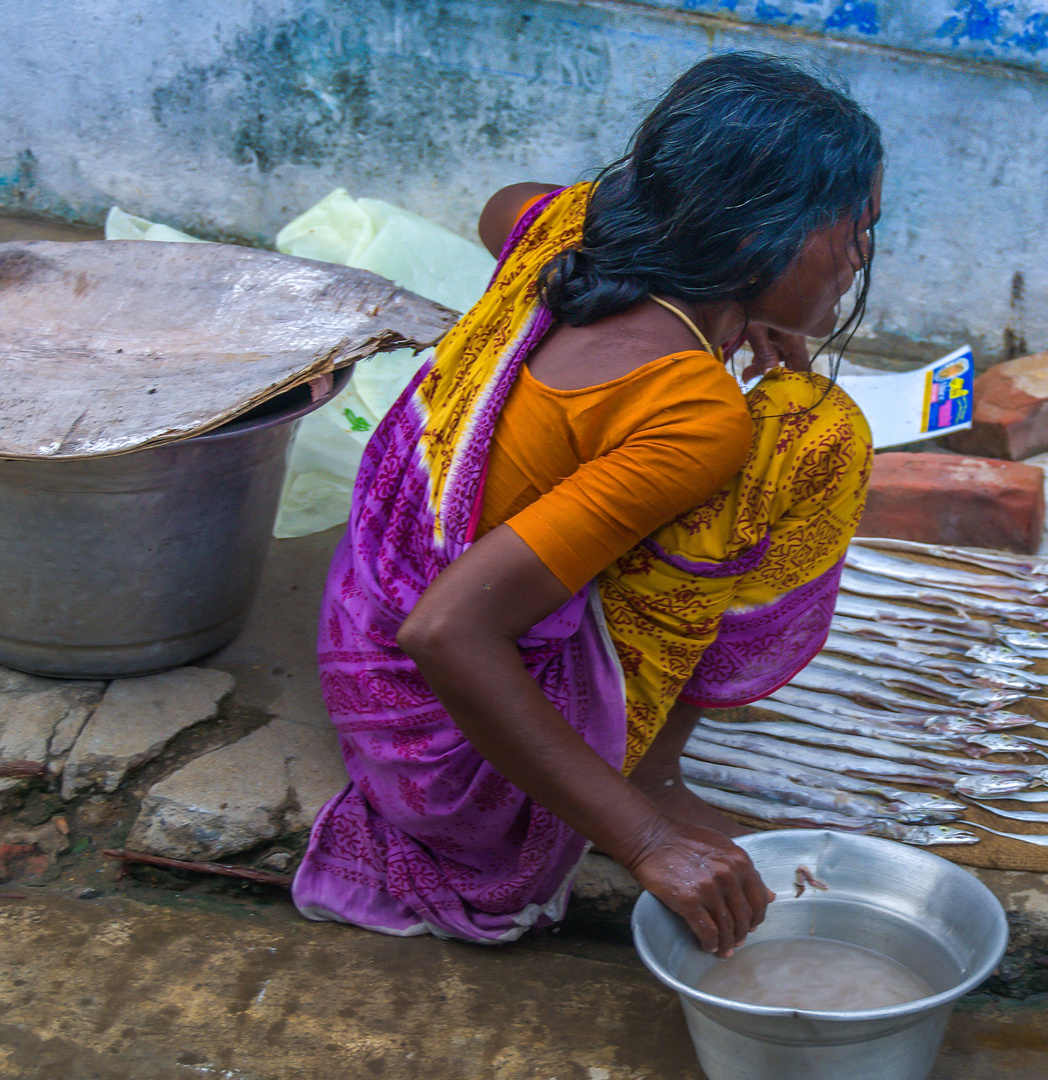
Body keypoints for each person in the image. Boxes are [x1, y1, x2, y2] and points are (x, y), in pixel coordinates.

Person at [290, 52, 883, 957]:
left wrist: (741, 308)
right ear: (755, 242)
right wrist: (643, 841)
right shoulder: (690, 412)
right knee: (814, 434)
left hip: (359, 624)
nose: (859, 259)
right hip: (440, 753)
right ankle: (648, 774)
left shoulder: (569, 224)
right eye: (851, 231)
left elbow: (503, 204)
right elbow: (446, 633)